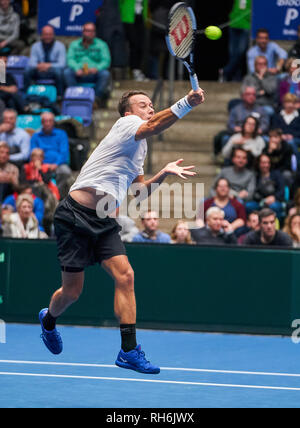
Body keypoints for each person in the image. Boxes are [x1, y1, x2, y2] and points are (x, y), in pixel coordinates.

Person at [38, 86, 205, 374]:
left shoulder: (140, 145)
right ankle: (49, 320)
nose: (149, 107)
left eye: (151, 104)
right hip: (74, 216)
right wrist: (186, 103)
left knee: (126, 275)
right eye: (143, 104)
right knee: (72, 292)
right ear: (128, 112)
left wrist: (163, 173)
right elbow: (153, 125)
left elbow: (139, 193)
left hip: (103, 219)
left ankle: (128, 350)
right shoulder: (126, 124)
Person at [64, 22, 111, 104]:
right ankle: (75, 96)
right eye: (87, 31)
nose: (90, 33)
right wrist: (76, 68)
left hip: (94, 73)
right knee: (67, 72)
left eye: (92, 31)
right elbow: (70, 59)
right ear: (83, 32)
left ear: (95, 33)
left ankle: (96, 99)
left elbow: (106, 61)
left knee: (105, 74)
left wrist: (97, 68)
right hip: (79, 73)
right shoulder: (74, 44)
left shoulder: (102, 44)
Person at [30, 112, 71, 197]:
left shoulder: (61, 134)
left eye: (50, 121)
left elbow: (64, 153)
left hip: (57, 164)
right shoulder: (36, 136)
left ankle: (56, 195)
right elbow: (33, 153)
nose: (47, 123)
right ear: (42, 122)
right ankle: (39, 196)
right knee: (32, 172)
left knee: (65, 171)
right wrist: (41, 165)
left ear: (53, 122)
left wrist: (55, 164)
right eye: (45, 121)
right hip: (40, 164)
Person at [24, 25, 66, 97]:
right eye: (46, 34)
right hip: (39, 70)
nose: (48, 37)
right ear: (41, 35)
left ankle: (59, 95)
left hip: (52, 70)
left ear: (53, 35)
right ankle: (27, 94)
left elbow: (62, 63)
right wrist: (39, 66)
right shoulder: (35, 46)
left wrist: (48, 65)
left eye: (50, 34)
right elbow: (31, 62)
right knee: (27, 70)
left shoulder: (60, 46)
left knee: (59, 72)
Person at [246, 153, 285, 218]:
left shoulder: (276, 174)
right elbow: (253, 191)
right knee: (248, 206)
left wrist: (274, 197)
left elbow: (282, 190)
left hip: (274, 200)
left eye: (268, 163)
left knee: (274, 206)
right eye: (263, 163)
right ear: (258, 163)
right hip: (259, 201)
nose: (266, 165)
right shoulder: (256, 176)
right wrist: (262, 200)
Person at [221, 0, 251, 82]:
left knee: (240, 52)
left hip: (245, 26)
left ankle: (225, 71)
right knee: (232, 53)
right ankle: (235, 77)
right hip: (233, 25)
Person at [119, 0, 148, 81]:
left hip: (140, 18)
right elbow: (120, 4)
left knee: (141, 45)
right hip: (127, 19)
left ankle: (137, 70)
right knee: (133, 44)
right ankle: (133, 70)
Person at [271, 94, 300, 161]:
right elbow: (273, 128)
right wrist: (281, 136)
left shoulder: (299, 116)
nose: (290, 105)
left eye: (292, 102)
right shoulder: (277, 115)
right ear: (284, 103)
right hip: (279, 138)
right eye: (288, 102)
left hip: (296, 139)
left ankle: (298, 166)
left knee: (291, 142)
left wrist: (292, 136)